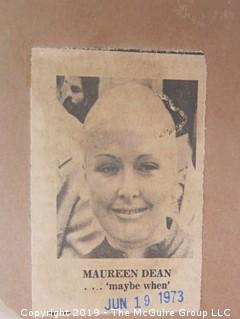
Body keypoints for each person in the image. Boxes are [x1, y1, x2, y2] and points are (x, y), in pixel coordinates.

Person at [57, 82, 193, 258]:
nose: (128, 191)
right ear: (85, 180)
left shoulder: (202, 261)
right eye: (108, 168)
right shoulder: (73, 276)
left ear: (175, 177)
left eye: (146, 167)